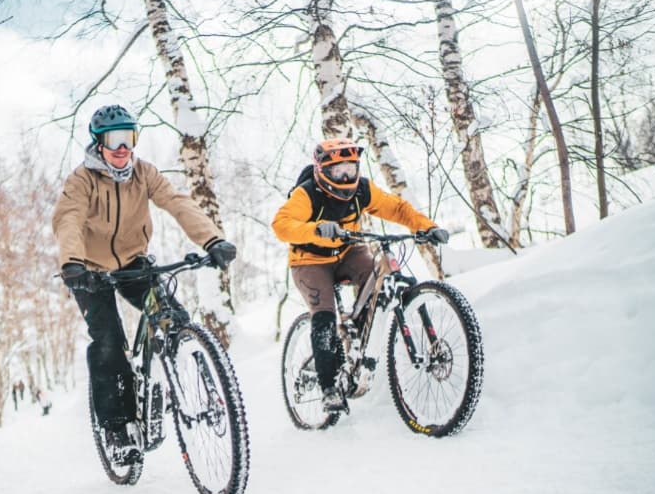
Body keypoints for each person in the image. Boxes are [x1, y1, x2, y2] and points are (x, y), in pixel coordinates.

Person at [52, 104, 237, 463]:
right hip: (89, 271)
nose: (123, 148)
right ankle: (116, 429)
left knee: (173, 318)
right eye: (114, 140)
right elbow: (68, 219)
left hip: (132, 263)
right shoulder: (82, 180)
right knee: (108, 342)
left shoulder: (144, 173)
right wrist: (72, 262)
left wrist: (212, 239)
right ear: (99, 143)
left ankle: (189, 390)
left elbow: (177, 203)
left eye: (129, 138)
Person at [271, 138, 449, 412]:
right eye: (338, 171)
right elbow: (281, 224)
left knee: (378, 277)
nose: (346, 177)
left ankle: (358, 336)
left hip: (348, 252)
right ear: (322, 171)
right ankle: (329, 387)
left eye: (351, 169)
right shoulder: (307, 194)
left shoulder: (362, 190)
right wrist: (316, 229)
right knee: (324, 317)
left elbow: (397, 208)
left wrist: (425, 226)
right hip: (310, 261)